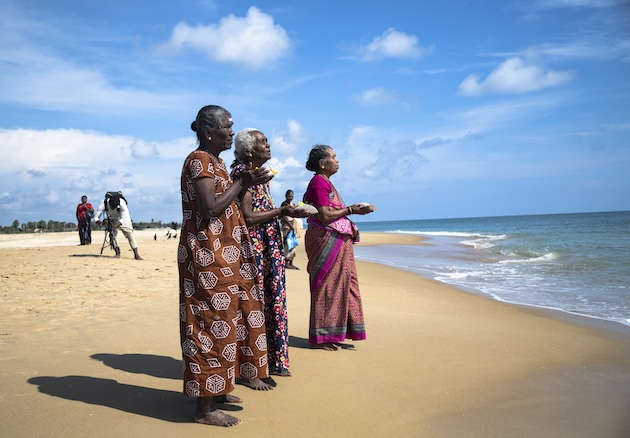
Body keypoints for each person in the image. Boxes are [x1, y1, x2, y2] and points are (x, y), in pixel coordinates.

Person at [178, 106, 274, 427]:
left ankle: (218, 390)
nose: (232, 132)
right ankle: (203, 409)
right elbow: (209, 209)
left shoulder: (217, 163)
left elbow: (229, 202)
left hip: (225, 254)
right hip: (207, 256)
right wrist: (241, 181)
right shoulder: (199, 161)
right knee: (209, 321)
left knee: (229, 319)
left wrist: (245, 182)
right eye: (227, 127)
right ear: (209, 132)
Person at [230, 128, 308, 377]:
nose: (269, 145)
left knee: (270, 303)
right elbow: (248, 217)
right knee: (259, 304)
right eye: (263, 142)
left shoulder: (260, 176)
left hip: (267, 248)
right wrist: (283, 212)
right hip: (256, 250)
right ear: (249, 151)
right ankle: (255, 365)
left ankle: (269, 361)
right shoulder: (244, 174)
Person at [303, 144, 374, 351]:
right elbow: (324, 215)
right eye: (333, 157)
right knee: (328, 286)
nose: (337, 160)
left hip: (336, 240)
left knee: (343, 285)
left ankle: (334, 333)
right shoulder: (318, 182)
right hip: (326, 240)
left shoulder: (325, 182)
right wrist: (351, 209)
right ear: (322, 164)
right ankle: (321, 337)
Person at [94, 192, 143, 260]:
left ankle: (136, 255)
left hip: (125, 220)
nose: (113, 208)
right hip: (112, 219)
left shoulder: (122, 203)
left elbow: (123, 219)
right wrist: (102, 223)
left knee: (130, 236)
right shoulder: (104, 203)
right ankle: (117, 253)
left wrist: (114, 226)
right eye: (112, 207)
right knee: (112, 236)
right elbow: (96, 218)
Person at [280, 190, 302, 270]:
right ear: (286, 196)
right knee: (287, 244)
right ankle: (286, 262)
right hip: (287, 227)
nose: (290, 198)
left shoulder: (292, 204)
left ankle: (291, 262)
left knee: (293, 244)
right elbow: (284, 217)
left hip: (292, 226)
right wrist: (290, 225)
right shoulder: (284, 204)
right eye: (289, 196)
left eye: (292, 196)